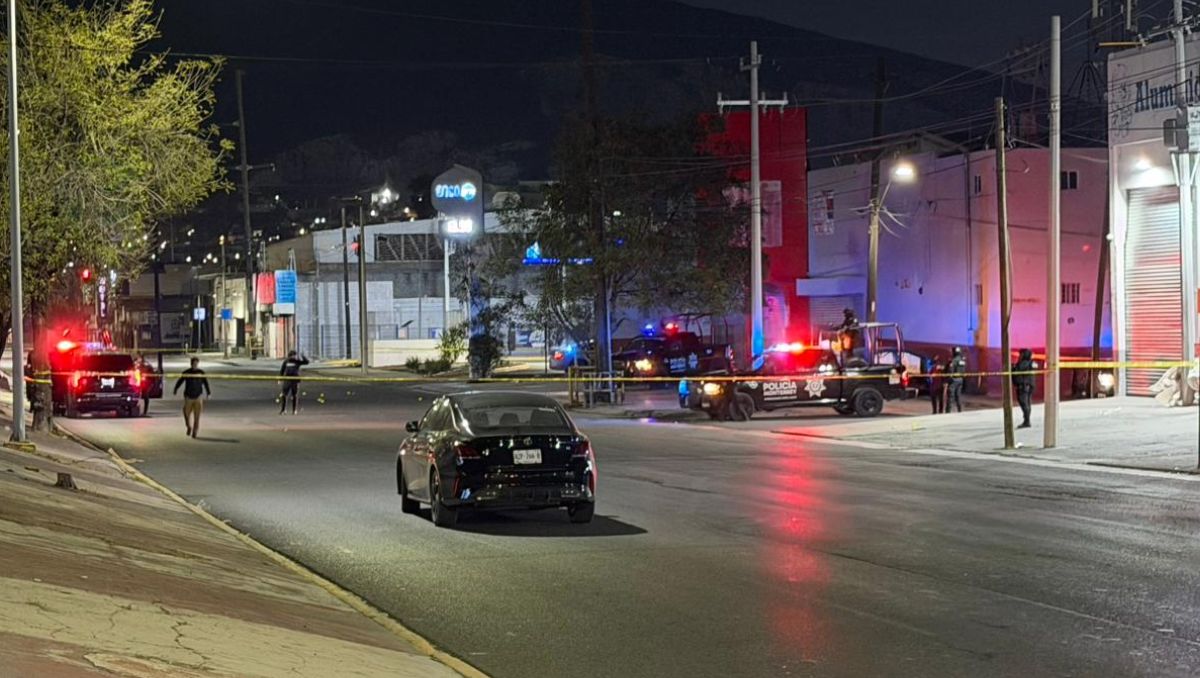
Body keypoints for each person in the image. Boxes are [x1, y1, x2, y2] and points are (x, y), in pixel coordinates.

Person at [174, 357, 210, 438]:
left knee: (197, 416)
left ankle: (195, 431)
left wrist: (208, 392)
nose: (195, 365)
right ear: (191, 364)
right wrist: (176, 389)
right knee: (186, 413)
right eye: (194, 363)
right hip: (188, 397)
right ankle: (188, 426)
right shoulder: (186, 372)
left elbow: (205, 383)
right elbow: (180, 381)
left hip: (198, 396)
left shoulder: (201, 373)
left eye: (196, 363)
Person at [278, 350, 309, 415]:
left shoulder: (297, 361)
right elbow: (282, 370)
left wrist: (302, 356)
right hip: (287, 380)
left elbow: (306, 362)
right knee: (284, 395)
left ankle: (294, 410)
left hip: (295, 380)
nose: (293, 357)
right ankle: (283, 410)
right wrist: (280, 379)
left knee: (294, 395)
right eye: (292, 356)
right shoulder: (286, 361)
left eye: (294, 356)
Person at [1012, 348, 1035, 428]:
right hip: (1027, 385)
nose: (1019, 356)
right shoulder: (1030, 362)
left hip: (1023, 386)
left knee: (1024, 403)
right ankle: (1027, 420)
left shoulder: (1024, 363)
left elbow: (1017, 369)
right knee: (1027, 403)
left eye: (1021, 354)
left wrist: (1013, 367)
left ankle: (1027, 421)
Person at [946, 346, 966, 413]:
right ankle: (960, 411)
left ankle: (948, 412)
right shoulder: (962, 361)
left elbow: (950, 371)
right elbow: (964, 371)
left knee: (950, 396)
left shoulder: (954, 360)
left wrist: (949, 379)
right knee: (958, 396)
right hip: (960, 380)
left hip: (954, 380)